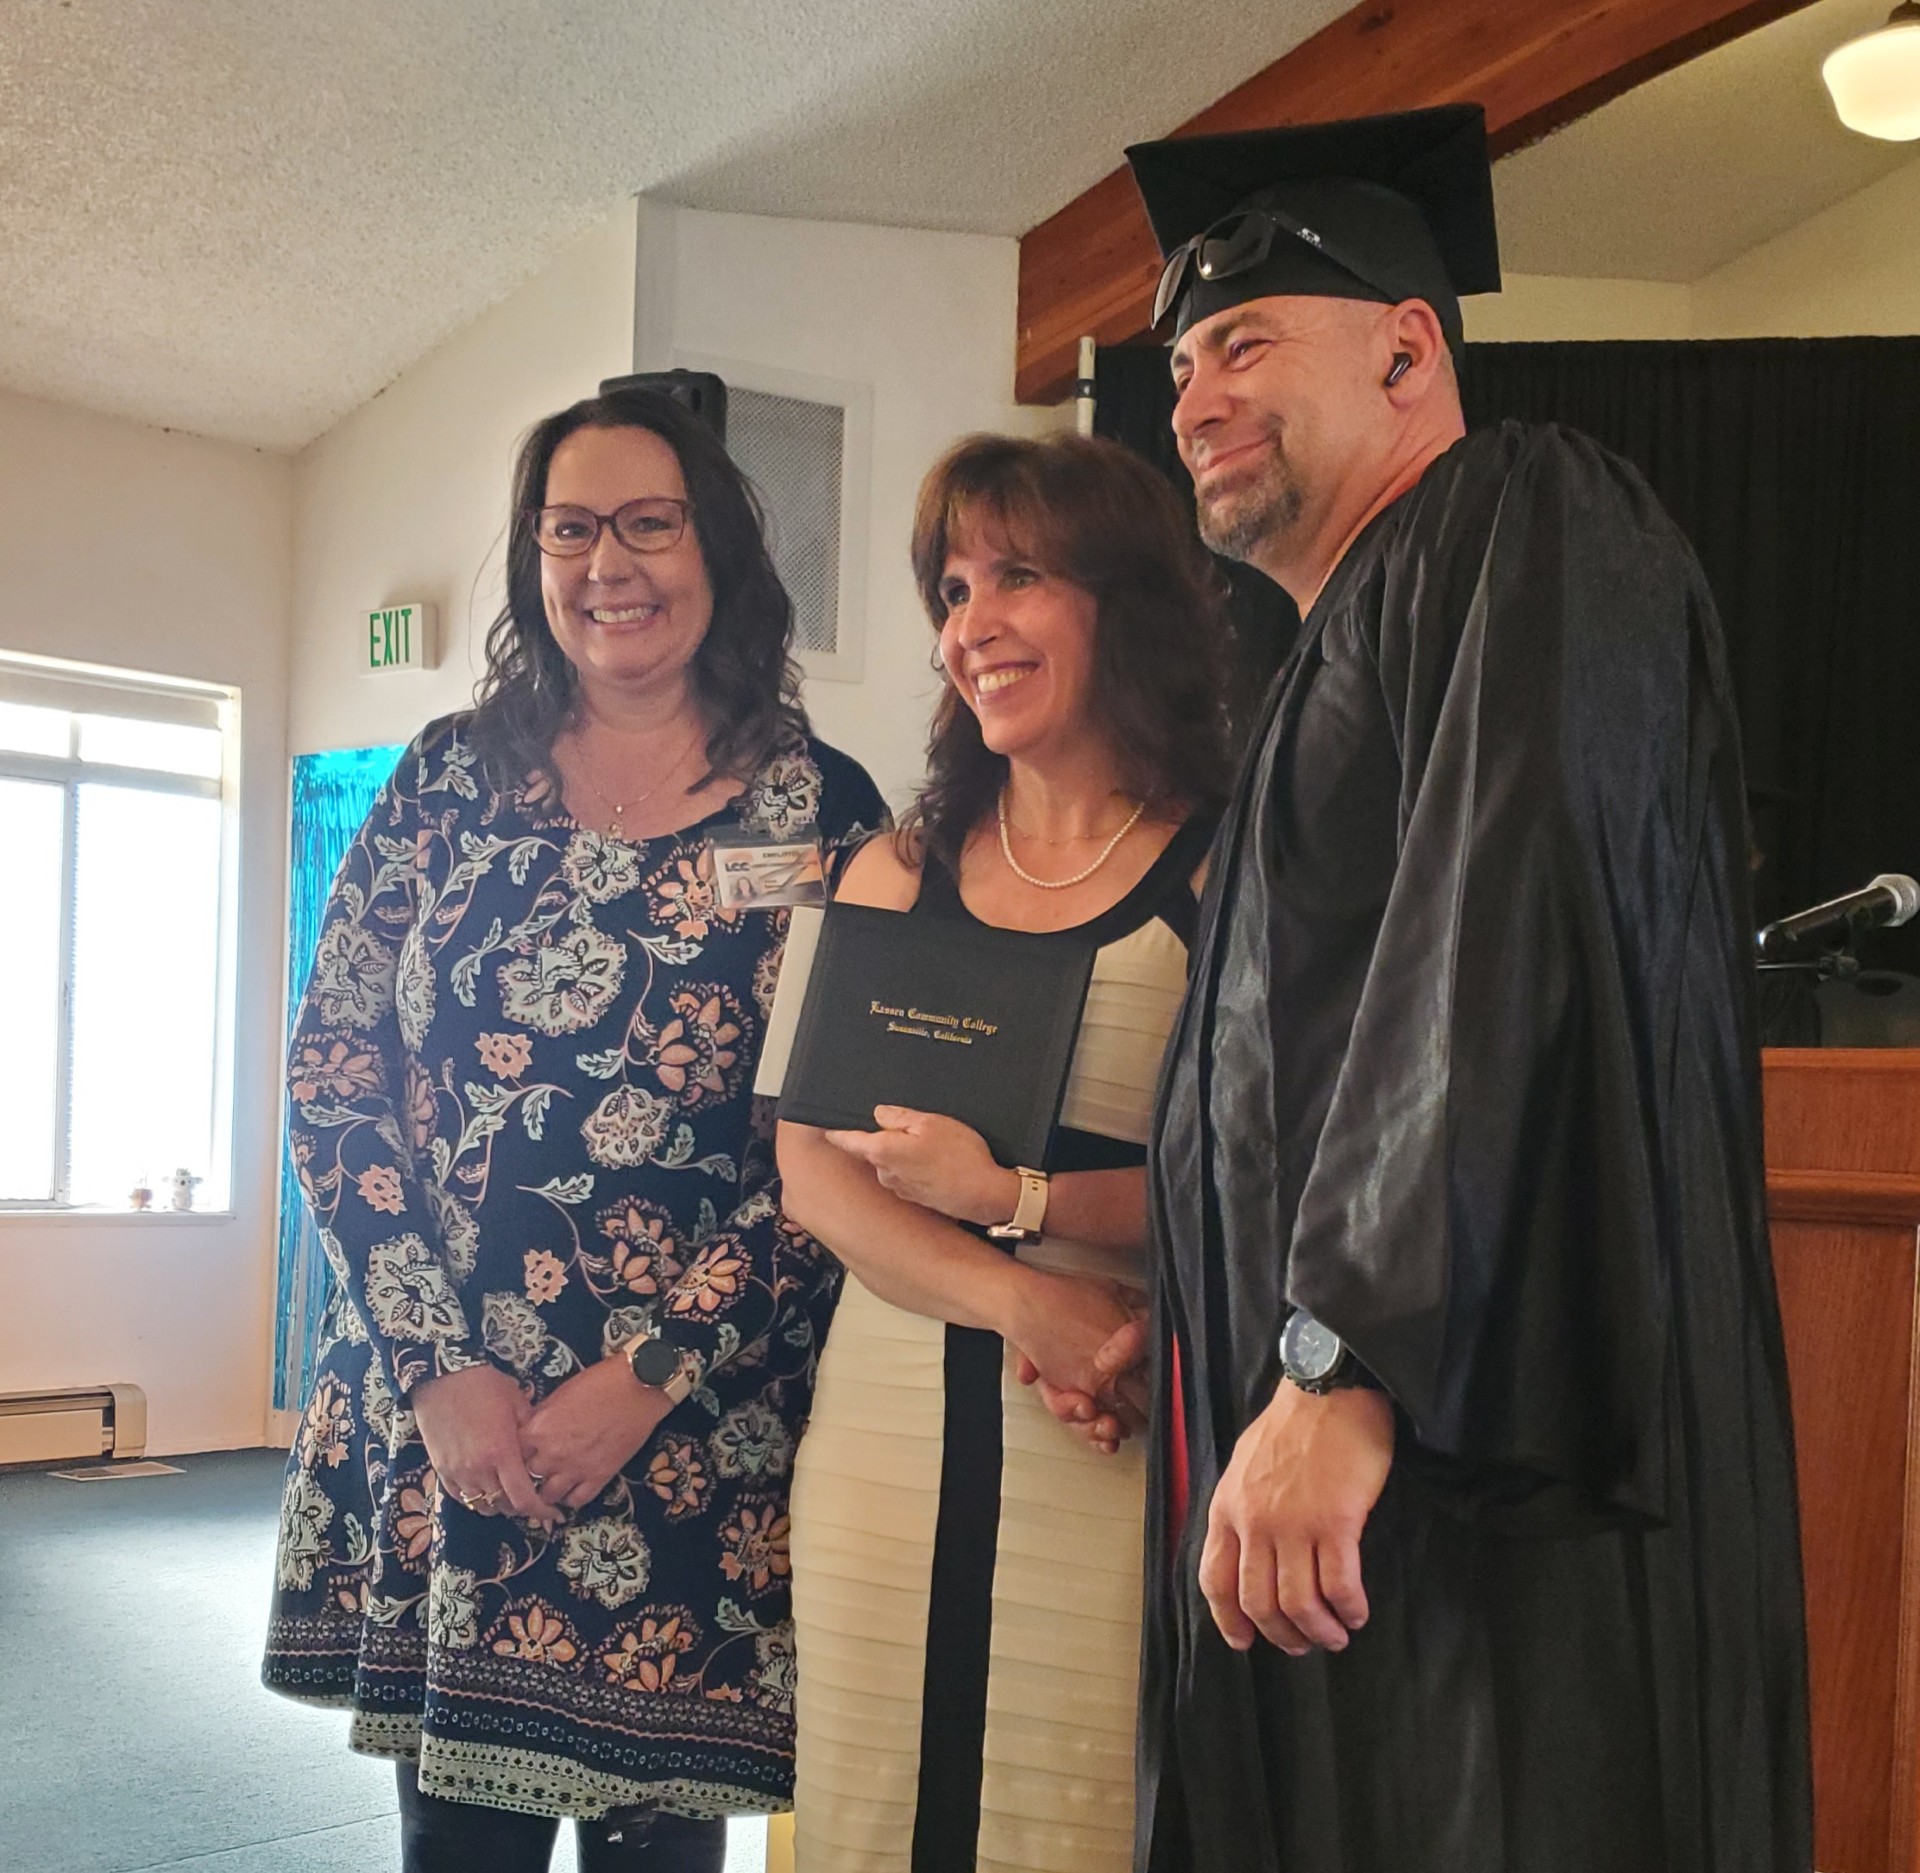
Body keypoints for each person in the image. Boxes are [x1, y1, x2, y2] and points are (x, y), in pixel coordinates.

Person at [1060, 103, 1811, 1872]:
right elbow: (1298, 1081)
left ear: (1410, 350)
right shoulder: (1337, 649)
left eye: (1243, 339)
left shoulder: (1527, 515)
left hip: (1483, 1486)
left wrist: (1337, 1358)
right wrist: (1203, 1324)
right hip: (1358, 1478)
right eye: (1177, 362)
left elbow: (1508, 932)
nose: (1191, 395)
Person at [262, 384, 887, 1871]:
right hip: (453, 1430)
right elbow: (338, 1076)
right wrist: (436, 1372)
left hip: (683, 1449)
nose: (609, 563)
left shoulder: (823, 815)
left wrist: (650, 1375)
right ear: (536, 563)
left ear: (719, 546)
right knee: (457, 1847)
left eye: (650, 524)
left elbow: (842, 1147)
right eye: (571, 529)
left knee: (652, 1858)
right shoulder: (440, 784)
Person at [774, 432, 1232, 1873]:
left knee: (1078, 1808)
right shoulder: (889, 869)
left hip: (1110, 1420)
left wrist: (1025, 1200)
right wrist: (1021, 1284)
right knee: (869, 1802)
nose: (972, 623)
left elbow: (1260, 1176)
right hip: (892, 1422)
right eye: (954, 588)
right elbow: (810, 1165)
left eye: (1018, 576)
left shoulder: (1230, 868)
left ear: (1124, 601)